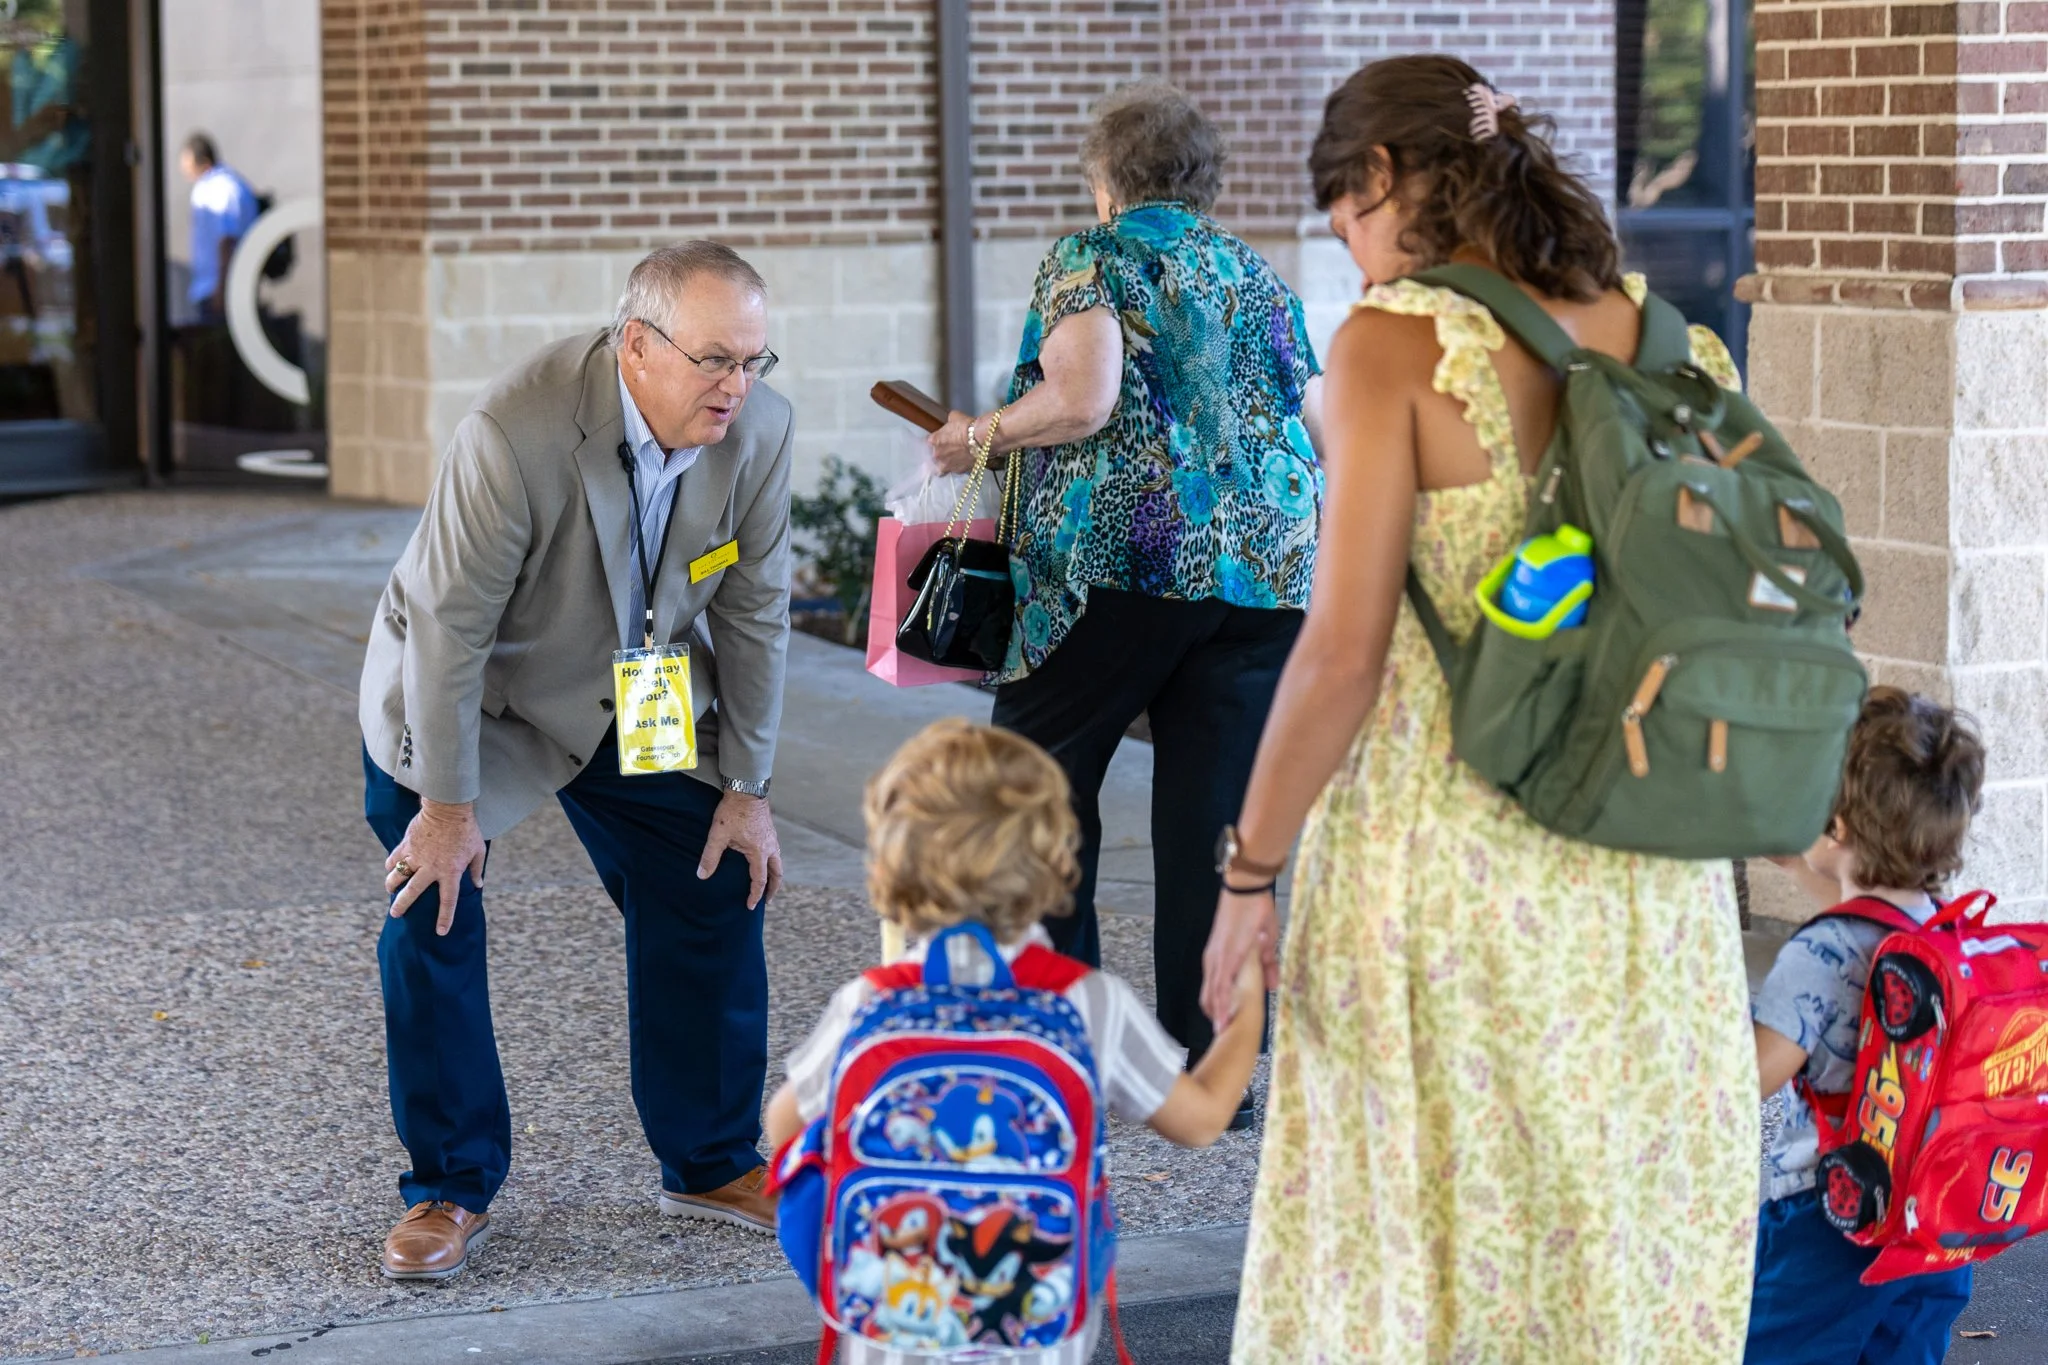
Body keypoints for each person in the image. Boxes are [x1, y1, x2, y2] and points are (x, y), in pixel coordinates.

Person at [1196, 56, 1759, 1361]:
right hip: (1647, 878)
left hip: (1447, 872)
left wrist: (1248, 875)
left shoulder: (1394, 346)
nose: (1353, 264)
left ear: (1384, 176)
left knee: (1432, 1229)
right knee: (1608, 1212)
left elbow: (1340, 657)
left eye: (1347, 223)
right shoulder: (1686, 347)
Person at [359, 240, 794, 1280]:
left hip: (633, 695)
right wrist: (448, 809)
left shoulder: (759, 431)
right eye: (715, 361)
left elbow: (755, 611)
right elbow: (447, 635)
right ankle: (448, 1186)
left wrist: (745, 787)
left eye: (754, 361)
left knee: (714, 874)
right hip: (479, 698)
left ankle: (709, 1160)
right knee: (436, 902)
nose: (737, 387)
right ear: (634, 346)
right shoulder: (514, 433)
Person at [927, 82, 1324, 1127]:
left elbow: (1083, 399)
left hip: (1121, 569)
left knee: (1038, 789)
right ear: (1204, 178)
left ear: (1104, 177)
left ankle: (1063, 1058)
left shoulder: (1090, 256)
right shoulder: (1254, 272)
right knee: (1214, 824)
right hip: (1263, 574)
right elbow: (1316, 418)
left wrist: (977, 435)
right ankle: (1215, 1070)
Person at [765, 718, 1264, 1364]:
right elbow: (1200, 1121)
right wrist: (1247, 1003)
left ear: (892, 868)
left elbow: (784, 1129)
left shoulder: (871, 1003)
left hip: (887, 1329)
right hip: (1039, 1333)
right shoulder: (1086, 1004)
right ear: (1057, 860)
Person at [1747, 688, 1985, 1364]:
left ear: (1840, 824)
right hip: (1934, 1224)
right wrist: (1801, 857)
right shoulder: (1940, 927)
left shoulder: (1816, 956)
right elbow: (1862, 911)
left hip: (1831, 1224)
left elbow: (1743, 1082)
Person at [178, 133, 259, 321]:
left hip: (219, 290)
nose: (183, 168)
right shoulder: (214, 186)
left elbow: (227, 240)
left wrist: (222, 289)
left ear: (202, 161)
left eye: (186, 162)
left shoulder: (220, 188)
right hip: (214, 288)